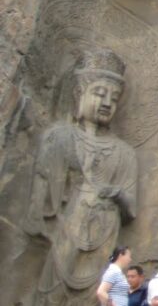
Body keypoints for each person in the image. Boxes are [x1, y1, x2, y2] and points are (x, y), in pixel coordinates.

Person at [26, 49, 138, 305]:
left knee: (93, 294)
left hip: (103, 233)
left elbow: (132, 210)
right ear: (79, 94)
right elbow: (40, 198)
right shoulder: (60, 137)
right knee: (51, 293)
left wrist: (117, 194)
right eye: (99, 93)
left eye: (114, 97)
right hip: (66, 229)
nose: (107, 102)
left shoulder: (124, 153)